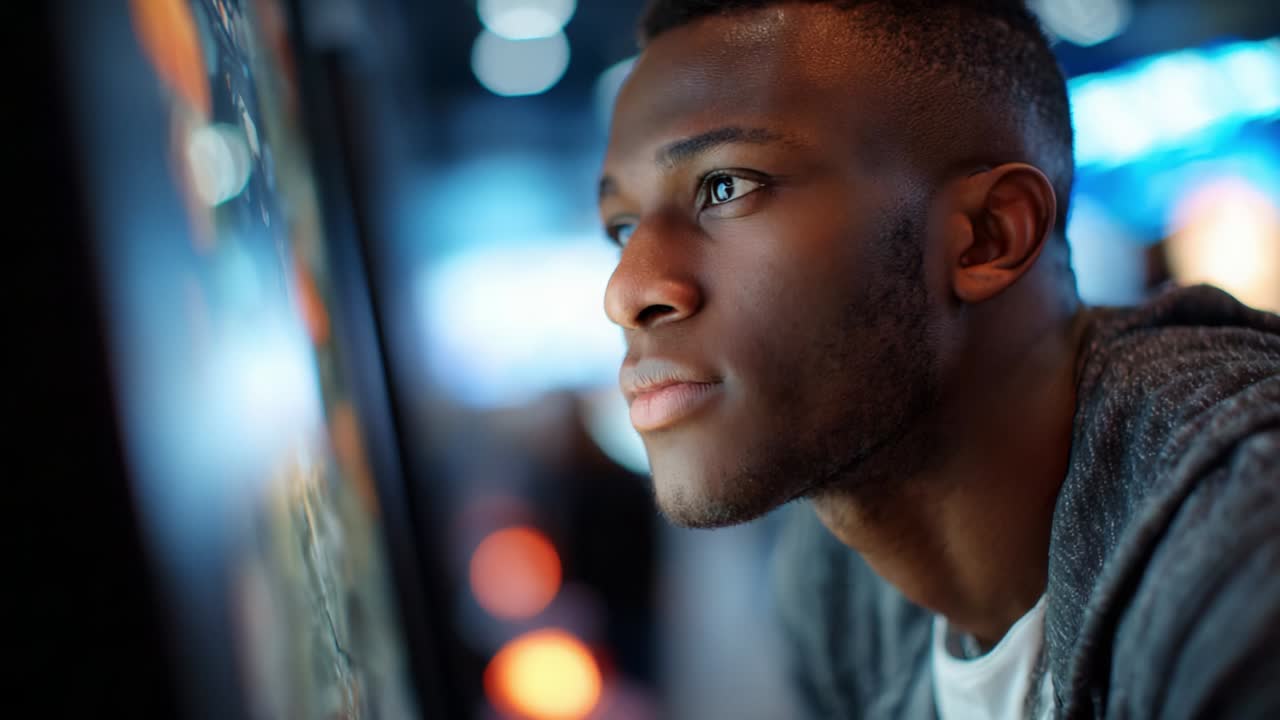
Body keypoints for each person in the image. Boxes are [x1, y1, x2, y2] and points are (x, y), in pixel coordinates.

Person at [596, 0, 1280, 717]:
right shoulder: (835, 584)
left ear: (987, 235)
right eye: (622, 227)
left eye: (725, 187)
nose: (626, 292)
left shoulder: (1243, 536)